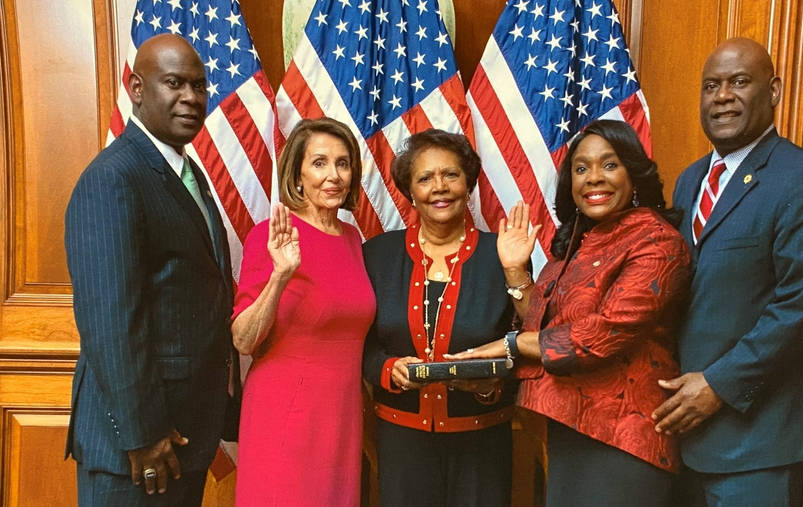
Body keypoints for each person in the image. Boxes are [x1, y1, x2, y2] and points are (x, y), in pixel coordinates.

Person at [447, 119, 691, 506]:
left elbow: (603, 333)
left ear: (635, 174)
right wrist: (515, 270)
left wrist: (508, 345)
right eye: (581, 168)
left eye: (610, 165)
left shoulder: (657, 241)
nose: (594, 178)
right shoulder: (579, 242)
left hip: (625, 438)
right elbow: (545, 327)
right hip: (569, 428)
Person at [650, 38, 803, 506]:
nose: (722, 96)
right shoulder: (690, 180)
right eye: (711, 86)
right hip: (683, 437)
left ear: (774, 90)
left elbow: (798, 306)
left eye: (739, 82)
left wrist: (720, 384)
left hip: (759, 440)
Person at [64, 34, 238, 505]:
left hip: (184, 435)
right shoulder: (113, 178)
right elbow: (109, 322)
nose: (190, 98)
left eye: (200, 87)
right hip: (138, 448)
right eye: (174, 83)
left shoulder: (186, 171)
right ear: (137, 89)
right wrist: (143, 434)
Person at [362, 129, 538, 506]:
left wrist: (514, 271)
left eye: (451, 175)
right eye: (425, 178)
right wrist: (387, 368)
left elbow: (538, 336)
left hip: (483, 441)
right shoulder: (377, 256)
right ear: (410, 191)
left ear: (469, 184)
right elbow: (360, 342)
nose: (439, 187)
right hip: (401, 442)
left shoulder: (502, 253)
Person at [231, 117, 374, 506]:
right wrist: (280, 275)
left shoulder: (352, 239)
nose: (333, 176)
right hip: (285, 416)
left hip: (341, 419)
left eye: (343, 164)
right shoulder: (271, 235)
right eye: (320, 163)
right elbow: (243, 339)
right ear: (297, 174)